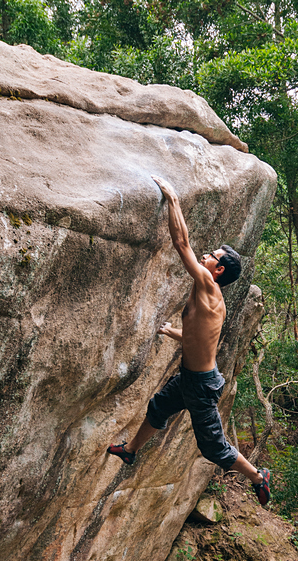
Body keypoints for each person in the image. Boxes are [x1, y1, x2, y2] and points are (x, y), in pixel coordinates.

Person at [107, 175, 270, 506]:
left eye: (210, 255)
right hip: (191, 377)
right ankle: (130, 451)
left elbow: (182, 244)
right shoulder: (211, 298)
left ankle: (257, 476)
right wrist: (174, 333)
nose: (205, 256)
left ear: (219, 270)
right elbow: (201, 341)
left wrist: (173, 200)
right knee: (158, 407)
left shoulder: (209, 286)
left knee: (212, 446)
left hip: (200, 385)